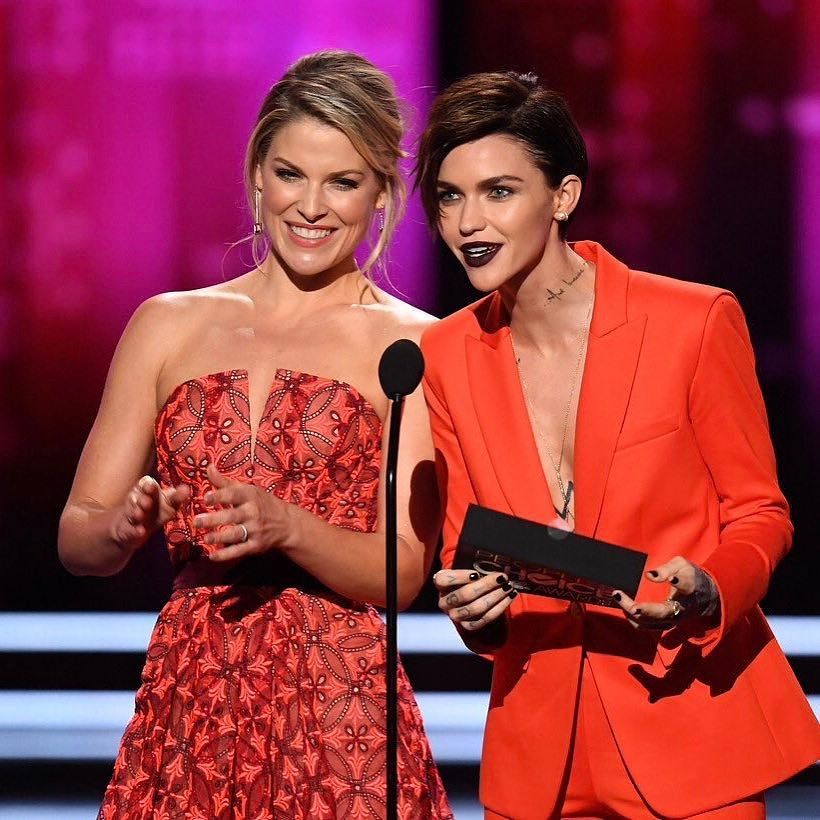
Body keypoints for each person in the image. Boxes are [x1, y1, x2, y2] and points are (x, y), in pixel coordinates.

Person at [59, 50, 452, 820]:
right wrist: (123, 527)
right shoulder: (167, 325)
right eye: (291, 174)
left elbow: (404, 572)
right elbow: (78, 537)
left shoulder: (416, 345)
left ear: (381, 193)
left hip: (340, 704)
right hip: (194, 694)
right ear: (257, 176)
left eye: (342, 182)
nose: (311, 206)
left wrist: (288, 527)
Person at [415, 71, 819, 819]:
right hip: (539, 751)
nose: (469, 221)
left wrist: (708, 589)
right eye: (449, 196)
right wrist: (475, 610)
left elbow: (761, 512)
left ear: (563, 196)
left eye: (499, 192)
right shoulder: (443, 355)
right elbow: (467, 545)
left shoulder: (692, 323)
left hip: (686, 716)